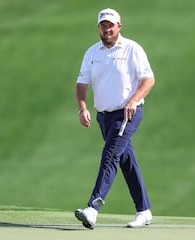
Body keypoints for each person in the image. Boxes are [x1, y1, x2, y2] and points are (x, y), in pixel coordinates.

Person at [74, 8, 155, 229]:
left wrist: (134, 100)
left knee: (109, 156)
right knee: (126, 162)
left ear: (119, 26)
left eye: (111, 25)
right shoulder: (92, 53)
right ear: (99, 28)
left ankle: (92, 208)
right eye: (103, 25)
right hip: (104, 117)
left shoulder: (132, 49)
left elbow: (148, 79)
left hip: (128, 113)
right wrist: (82, 108)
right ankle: (144, 210)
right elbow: (81, 84)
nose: (107, 29)